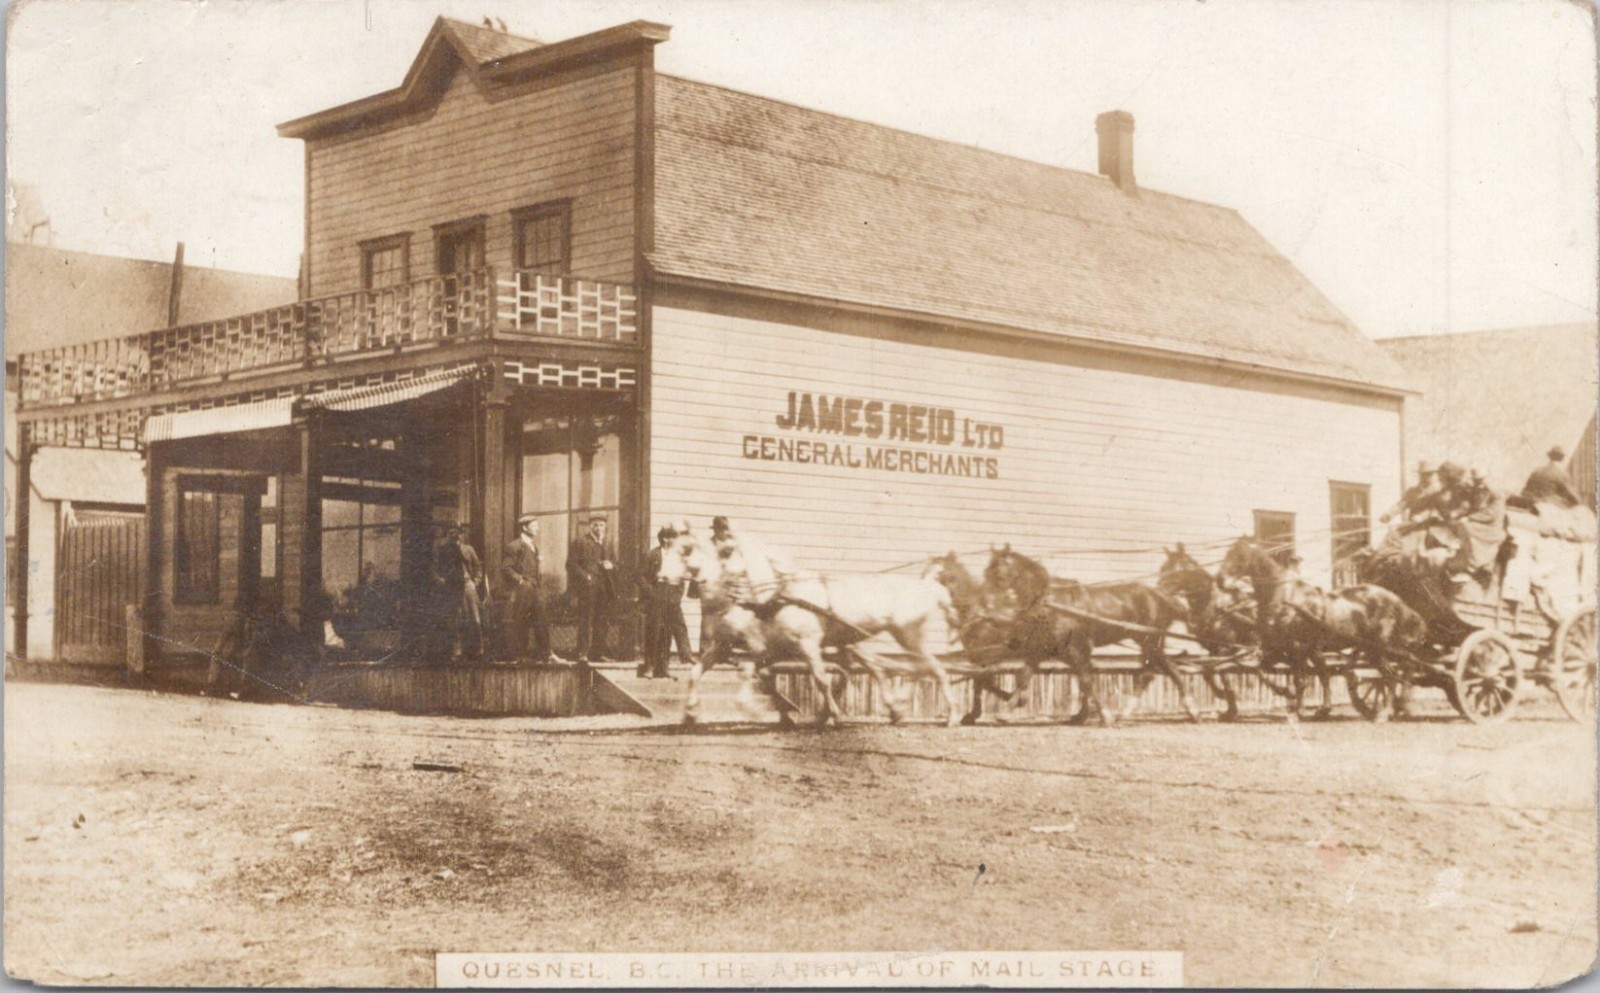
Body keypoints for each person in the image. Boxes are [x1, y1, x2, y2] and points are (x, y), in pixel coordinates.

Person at [638, 525, 692, 679]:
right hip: (656, 598)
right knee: (653, 633)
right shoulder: (651, 555)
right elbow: (640, 576)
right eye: (672, 537)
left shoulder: (678, 558)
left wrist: (677, 595)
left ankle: (663, 668)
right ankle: (648, 667)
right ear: (665, 539)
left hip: (672, 599)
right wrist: (651, 593)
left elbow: (681, 579)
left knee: (667, 633)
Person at [504, 513, 558, 664]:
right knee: (520, 620)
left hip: (535, 587)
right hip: (524, 588)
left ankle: (546, 654)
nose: (537, 529)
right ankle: (518, 655)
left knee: (541, 619)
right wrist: (521, 581)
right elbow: (506, 569)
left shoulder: (534, 547)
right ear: (524, 528)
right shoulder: (514, 546)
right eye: (534, 526)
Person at [567, 516, 617, 662]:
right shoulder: (580, 542)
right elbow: (571, 564)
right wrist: (586, 576)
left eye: (601, 525)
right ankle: (583, 653)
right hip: (588, 588)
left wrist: (611, 565)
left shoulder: (607, 543)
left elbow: (615, 563)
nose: (599, 528)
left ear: (605, 527)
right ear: (590, 527)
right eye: (595, 525)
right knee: (586, 620)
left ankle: (598, 653)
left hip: (604, 587)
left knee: (602, 621)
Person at [434, 523, 485, 663]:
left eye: (456, 532)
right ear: (447, 534)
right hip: (452, 586)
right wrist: (442, 581)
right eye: (450, 532)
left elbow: (477, 566)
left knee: (475, 617)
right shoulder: (443, 550)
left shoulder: (468, 549)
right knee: (455, 618)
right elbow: (436, 569)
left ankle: (478, 649)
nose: (453, 535)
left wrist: (475, 581)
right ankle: (457, 649)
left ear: (460, 534)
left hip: (468, 584)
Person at [1379, 461, 1440, 525]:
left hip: (1431, 527)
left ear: (1432, 475)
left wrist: (1422, 516)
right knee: (1393, 534)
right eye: (1422, 474)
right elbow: (1401, 505)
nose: (1425, 477)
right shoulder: (1412, 492)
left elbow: (1436, 510)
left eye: (1428, 474)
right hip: (1413, 526)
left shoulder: (1436, 492)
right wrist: (1388, 514)